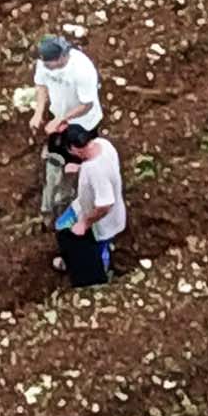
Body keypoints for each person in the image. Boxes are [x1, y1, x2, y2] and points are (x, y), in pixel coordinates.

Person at [29, 30, 103, 222]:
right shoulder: (44, 64)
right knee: (54, 162)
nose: (45, 66)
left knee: (74, 166)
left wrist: (62, 118)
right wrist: (38, 112)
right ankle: (47, 207)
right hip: (59, 121)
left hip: (83, 124)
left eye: (49, 63)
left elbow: (87, 105)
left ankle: (67, 198)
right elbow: (41, 85)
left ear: (62, 56)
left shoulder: (82, 70)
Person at [56, 128, 127, 288]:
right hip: (85, 206)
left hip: (102, 221)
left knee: (98, 250)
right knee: (62, 225)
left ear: (75, 149)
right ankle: (70, 258)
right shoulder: (103, 144)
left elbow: (105, 204)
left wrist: (85, 223)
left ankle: (100, 279)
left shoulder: (94, 170)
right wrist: (80, 168)